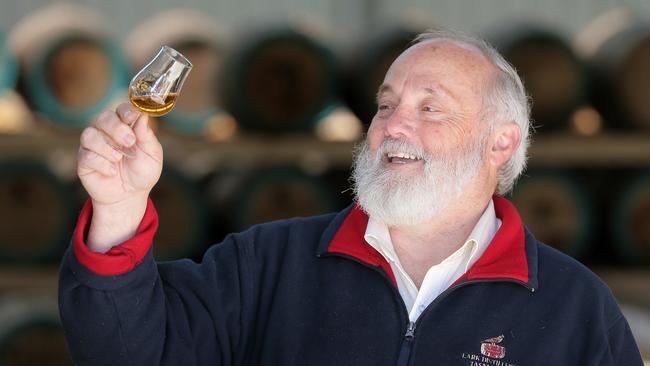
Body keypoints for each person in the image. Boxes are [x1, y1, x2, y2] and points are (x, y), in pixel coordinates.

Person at [58, 29, 643, 365]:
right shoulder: (267, 264)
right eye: (385, 105)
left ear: (501, 143)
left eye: (429, 107)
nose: (393, 125)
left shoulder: (574, 309)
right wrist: (118, 208)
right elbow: (127, 353)